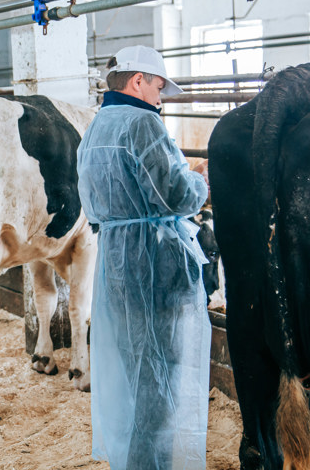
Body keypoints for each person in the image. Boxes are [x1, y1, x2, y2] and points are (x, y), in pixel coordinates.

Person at [76, 45, 211, 470]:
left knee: (135, 371)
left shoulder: (95, 129)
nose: (160, 97)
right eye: (157, 86)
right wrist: (201, 182)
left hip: (115, 260)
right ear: (137, 82)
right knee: (159, 376)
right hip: (155, 260)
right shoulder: (142, 124)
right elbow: (175, 193)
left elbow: (93, 202)